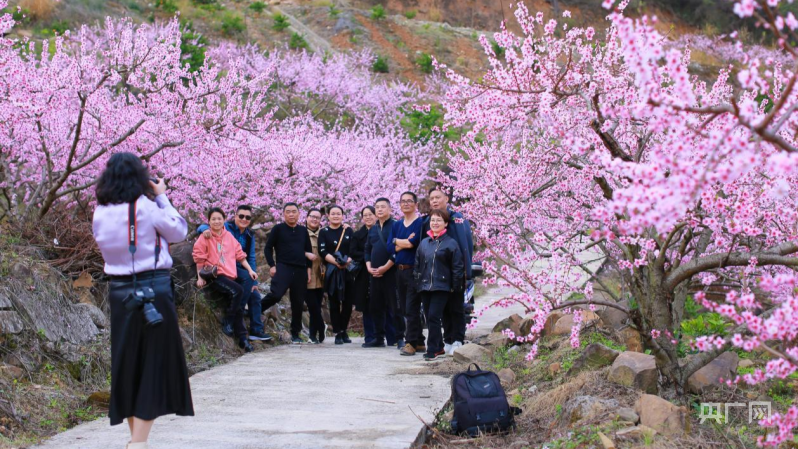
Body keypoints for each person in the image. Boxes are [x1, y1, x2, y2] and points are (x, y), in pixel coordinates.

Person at [92, 152, 193, 449]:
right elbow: (178, 230)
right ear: (140, 177)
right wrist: (162, 197)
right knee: (154, 363)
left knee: (129, 362)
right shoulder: (147, 207)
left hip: (120, 292)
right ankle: (138, 444)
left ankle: (136, 438)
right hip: (153, 290)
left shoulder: (100, 211)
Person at [197, 205, 272, 342]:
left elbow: (249, 257)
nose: (244, 219)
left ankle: (256, 330)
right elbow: (204, 229)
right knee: (239, 291)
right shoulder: (226, 228)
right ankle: (240, 331)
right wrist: (205, 230)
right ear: (235, 216)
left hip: (235, 268)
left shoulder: (248, 235)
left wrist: (252, 273)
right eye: (241, 216)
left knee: (254, 294)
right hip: (221, 270)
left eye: (247, 217)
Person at [422, 186, 474, 356]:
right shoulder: (428, 221)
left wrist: (466, 273)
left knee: (456, 307)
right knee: (442, 309)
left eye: (438, 197)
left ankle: (458, 338)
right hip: (437, 275)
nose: (435, 201)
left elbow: (465, 247)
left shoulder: (457, 219)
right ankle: (448, 339)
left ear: (447, 199)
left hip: (456, 272)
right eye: (432, 198)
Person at [414, 209, 465, 361]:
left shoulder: (451, 243)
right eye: (433, 220)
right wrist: (418, 281)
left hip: (442, 286)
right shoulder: (424, 242)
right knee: (429, 318)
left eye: (439, 220)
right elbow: (417, 263)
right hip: (425, 286)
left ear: (446, 224)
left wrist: (455, 287)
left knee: (434, 317)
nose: (435, 223)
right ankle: (439, 346)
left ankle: (433, 349)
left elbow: (457, 267)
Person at [260, 203, 314, 345]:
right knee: (276, 294)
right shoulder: (278, 229)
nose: (291, 214)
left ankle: (295, 333)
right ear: (283, 214)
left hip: (301, 269)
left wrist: (309, 271)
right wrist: (272, 265)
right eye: (288, 212)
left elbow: (308, 252)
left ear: (298, 214)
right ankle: (256, 309)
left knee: (297, 302)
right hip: (283, 267)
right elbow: (268, 248)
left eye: (294, 212)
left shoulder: (303, 231)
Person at [364, 198, 405, 348]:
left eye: (383, 207)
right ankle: (378, 337)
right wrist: (369, 266)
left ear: (390, 209)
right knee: (376, 306)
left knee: (395, 307)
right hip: (374, 274)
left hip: (391, 273)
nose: (379, 209)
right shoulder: (373, 229)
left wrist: (386, 267)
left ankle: (400, 337)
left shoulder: (396, 226)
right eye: (377, 207)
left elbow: (398, 249)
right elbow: (367, 249)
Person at [390, 192, 425, 356]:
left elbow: (414, 243)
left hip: (413, 270)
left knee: (412, 307)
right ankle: (419, 341)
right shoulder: (396, 225)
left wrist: (398, 241)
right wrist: (400, 242)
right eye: (403, 201)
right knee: (405, 308)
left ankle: (410, 342)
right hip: (399, 270)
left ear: (416, 204)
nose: (406, 204)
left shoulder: (420, 223)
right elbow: (391, 247)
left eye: (409, 201)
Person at [319, 205, 355, 344]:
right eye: (333, 213)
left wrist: (346, 262)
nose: (335, 216)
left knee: (347, 302)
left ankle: (344, 330)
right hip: (332, 271)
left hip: (347, 270)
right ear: (328, 215)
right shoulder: (324, 231)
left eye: (338, 213)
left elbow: (353, 249)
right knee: (334, 302)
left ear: (342, 215)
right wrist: (336, 263)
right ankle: (337, 332)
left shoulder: (348, 230)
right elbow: (323, 251)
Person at [305, 208, 326, 344]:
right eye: (312, 216)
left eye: (317, 217)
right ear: (307, 217)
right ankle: (321, 326)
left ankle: (313, 335)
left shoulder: (324, 233)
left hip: (321, 274)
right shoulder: (301, 233)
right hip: (306, 275)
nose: (314, 219)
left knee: (317, 305)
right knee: (313, 306)